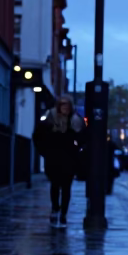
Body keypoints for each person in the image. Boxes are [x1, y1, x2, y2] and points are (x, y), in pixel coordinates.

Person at [33, 95, 83, 226]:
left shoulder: (76, 120)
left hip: (69, 158)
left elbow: (82, 137)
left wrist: (77, 147)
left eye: (67, 104)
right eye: (62, 104)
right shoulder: (49, 118)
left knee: (66, 187)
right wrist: (44, 152)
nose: (65, 107)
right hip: (53, 158)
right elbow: (38, 136)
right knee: (55, 185)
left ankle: (63, 214)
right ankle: (55, 209)